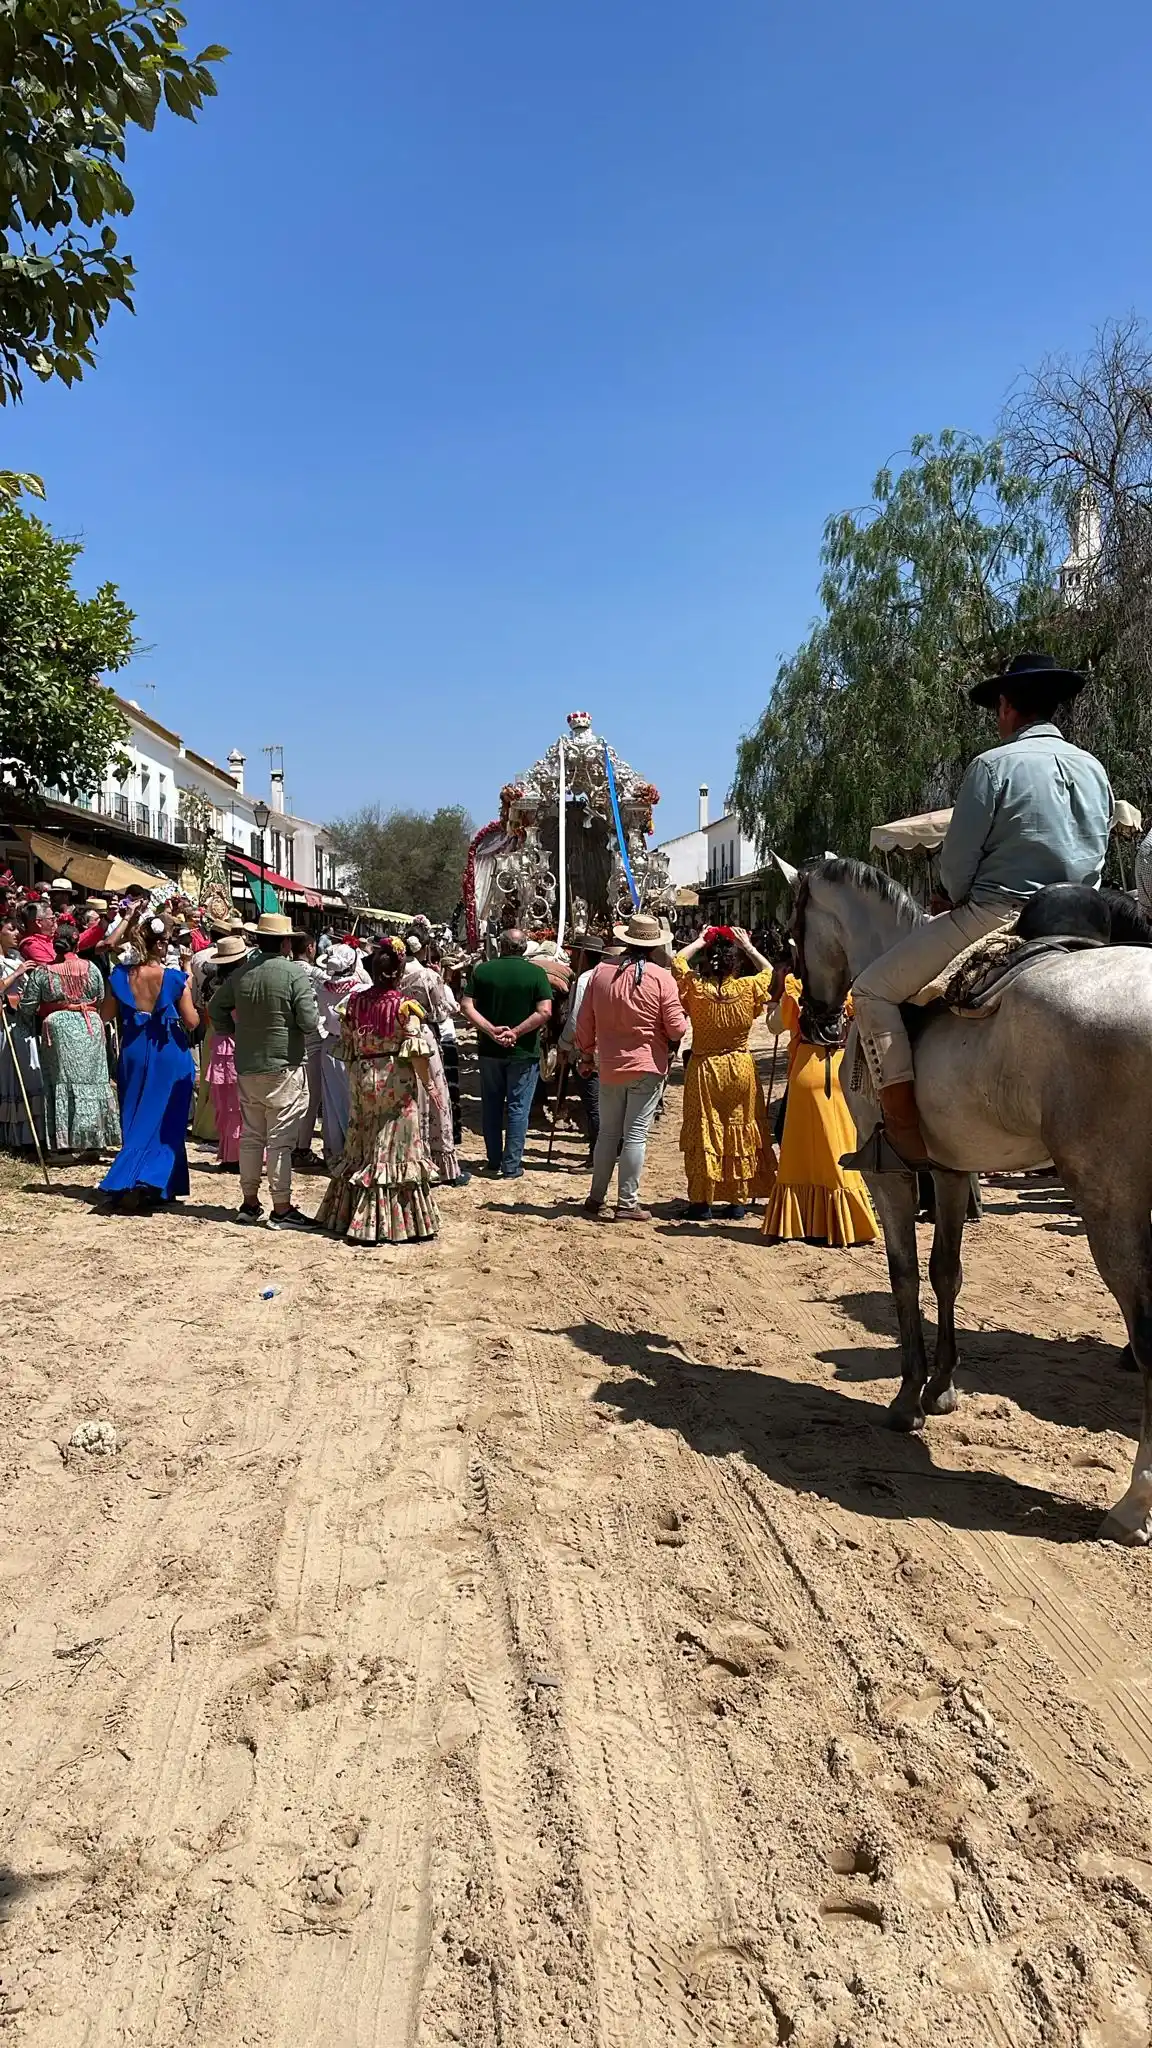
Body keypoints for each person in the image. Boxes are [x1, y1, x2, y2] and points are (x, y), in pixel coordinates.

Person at [850, 651, 1114, 1167]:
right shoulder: (1095, 768)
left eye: (998, 708)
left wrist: (953, 893)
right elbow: (1096, 853)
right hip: (1084, 916)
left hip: (1000, 912)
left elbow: (957, 867)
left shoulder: (992, 766)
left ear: (1009, 705)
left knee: (873, 989)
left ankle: (900, 1133)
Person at [316, 938, 440, 1246]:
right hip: (395, 1080)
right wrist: (432, 1087)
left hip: (362, 1077)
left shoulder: (353, 1004)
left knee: (363, 1143)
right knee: (396, 1147)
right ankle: (397, 1222)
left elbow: (347, 1048)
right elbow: (415, 1051)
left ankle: (352, 1215)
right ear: (399, 973)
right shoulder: (404, 1007)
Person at [208, 911, 319, 1228]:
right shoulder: (293, 973)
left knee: (252, 1137)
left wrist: (232, 1030)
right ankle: (281, 1207)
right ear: (286, 942)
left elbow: (216, 1007)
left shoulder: (242, 973)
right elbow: (309, 1021)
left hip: (247, 1065)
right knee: (280, 1141)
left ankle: (249, 1203)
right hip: (283, 1063)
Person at [575, 912, 687, 1223]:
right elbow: (677, 1029)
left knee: (608, 1133)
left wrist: (586, 1055)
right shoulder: (662, 977)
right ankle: (627, 1202)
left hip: (609, 1064)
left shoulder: (600, 973)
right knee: (635, 1134)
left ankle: (596, 1197)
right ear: (654, 946)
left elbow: (585, 1021)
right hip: (647, 1063)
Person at [762, 971, 878, 1247]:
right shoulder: (851, 987)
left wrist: (777, 1006)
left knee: (799, 1151)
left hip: (806, 1068)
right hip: (841, 1068)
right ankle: (844, 1221)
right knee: (839, 1145)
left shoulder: (796, 986)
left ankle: (799, 1221)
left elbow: (774, 1026)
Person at [671, 925, 777, 1221]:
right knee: (739, 1127)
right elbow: (769, 971)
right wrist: (749, 947)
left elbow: (678, 961)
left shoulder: (697, 989)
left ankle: (702, 1201)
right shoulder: (747, 989)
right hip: (740, 1065)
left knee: (706, 1127)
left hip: (705, 1066)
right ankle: (737, 1200)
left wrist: (698, 941)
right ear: (735, 963)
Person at [98, 913, 199, 1209]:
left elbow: (105, 1015)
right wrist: (187, 978)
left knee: (136, 1117)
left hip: (133, 1050)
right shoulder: (174, 978)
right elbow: (192, 1021)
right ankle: (146, 1181)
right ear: (163, 945)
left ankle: (151, 1182)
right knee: (168, 1120)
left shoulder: (119, 976)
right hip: (169, 1052)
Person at [19, 928, 120, 1160]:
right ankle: (95, 1140)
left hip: (59, 1028)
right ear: (77, 945)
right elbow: (100, 998)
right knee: (94, 1079)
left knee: (61, 1082)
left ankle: (65, 1143)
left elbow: (28, 1005)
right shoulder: (92, 968)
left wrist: (29, 1023)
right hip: (90, 1025)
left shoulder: (44, 973)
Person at [461, 929, 552, 1179]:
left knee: (491, 1105)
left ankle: (493, 1160)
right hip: (523, 1051)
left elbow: (466, 1006)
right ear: (524, 948)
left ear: (500, 946)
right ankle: (511, 1165)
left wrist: (491, 1031)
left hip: (490, 1050)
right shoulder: (536, 973)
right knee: (518, 1108)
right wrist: (517, 1032)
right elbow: (544, 1011)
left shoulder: (483, 971)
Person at [401, 942, 467, 1186]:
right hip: (425, 1037)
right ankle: (438, 1164)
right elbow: (440, 1013)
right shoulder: (429, 976)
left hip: (399, 1038)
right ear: (423, 949)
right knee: (434, 1095)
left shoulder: (393, 973)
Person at [315, 942, 371, 1164]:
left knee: (331, 1101)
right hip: (353, 1048)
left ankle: (335, 1149)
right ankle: (355, 1150)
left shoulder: (322, 988)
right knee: (354, 1100)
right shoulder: (361, 991)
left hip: (329, 1046)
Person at [198, 932, 250, 1170]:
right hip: (239, 1043)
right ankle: (243, 1154)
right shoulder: (242, 986)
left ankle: (230, 1154)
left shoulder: (213, 984)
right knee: (243, 1104)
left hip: (220, 1043)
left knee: (226, 1103)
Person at [556, 932, 605, 1170]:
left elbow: (576, 1019)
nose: (571, 957)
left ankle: (597, 1156)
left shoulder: (585, 979)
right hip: (611, 1047)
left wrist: (564, 1044)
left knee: (594, 1105)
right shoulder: (608, 974)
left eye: (575, 953)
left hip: (588, 1049)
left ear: (583, 955)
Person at [0, 921, 44, 1152]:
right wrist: (16, 973)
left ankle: (29, 1133)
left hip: (22, 1021)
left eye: (18, 928)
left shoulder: (17, 957)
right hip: (4, 1022)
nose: (17, 933)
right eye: (10, 929)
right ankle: (10, 1134)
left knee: (28, 1073)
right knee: (9, 1075)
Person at [290, 931, 326, 1170]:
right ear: (311, 948)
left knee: (291, 1095)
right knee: (311, 1096)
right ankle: (301, 1148)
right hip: (312, 1037)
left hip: (287, 1036)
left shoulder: (285, 970)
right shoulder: (317, 974)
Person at [18, 900, 56, 964]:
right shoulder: (31, 946)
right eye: (51, 919)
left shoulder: (53, 937)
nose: (55, 922)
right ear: (38, 922)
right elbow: (54, 970)